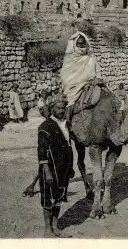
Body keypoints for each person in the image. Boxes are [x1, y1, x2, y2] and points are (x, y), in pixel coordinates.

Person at [36, 96, 74, 237]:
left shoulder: (66, 124)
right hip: (50, 169)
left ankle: (55, 227)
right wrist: (47, 172)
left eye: (63, 107)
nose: (61, 110)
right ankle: (47, 230)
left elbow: (69, 145)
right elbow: (42, 151)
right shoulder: (45, 127)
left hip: (63, 168)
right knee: (48, 197)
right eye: (58, 108)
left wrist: (70, 167)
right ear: (52, 109)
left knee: (59, 197)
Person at [60, 31, 104, 125]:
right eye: (79, 43)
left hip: (91, 83)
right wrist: (80, 82)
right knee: (70, 101)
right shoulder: (70, 58)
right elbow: (65, 76)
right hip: (74, 87)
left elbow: (98, 71)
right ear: (75, 44)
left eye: (83, 43)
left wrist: (98, 79)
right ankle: (66, 124)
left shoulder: (91, 57)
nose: (81, 46)